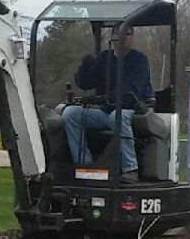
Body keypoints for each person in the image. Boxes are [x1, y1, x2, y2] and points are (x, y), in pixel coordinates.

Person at [63, 25, 152, 176]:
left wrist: (99, 99)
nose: (123, 37)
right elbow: (85, 83)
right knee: (71, 114)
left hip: (134, 110)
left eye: (128, 34)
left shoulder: (139, 61)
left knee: (117, 116)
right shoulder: (104, 58)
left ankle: (130, 168)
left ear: (132, 37)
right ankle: (84, 164)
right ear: (112, 37)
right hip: (106, 110)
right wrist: (85, 67)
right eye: (119, 34)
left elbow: (129, 93)